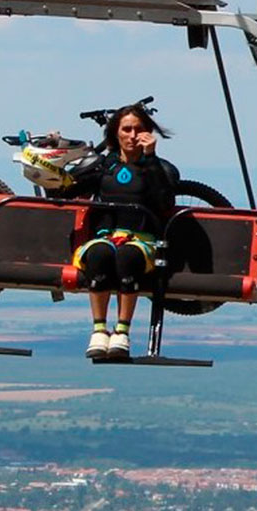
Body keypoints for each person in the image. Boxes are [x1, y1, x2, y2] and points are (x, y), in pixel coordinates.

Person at [67, 102, 180, 362]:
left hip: (142, 240)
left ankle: (122, 331)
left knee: (127, 258)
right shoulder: (104, 166)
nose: (132, 135)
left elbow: (165, 201)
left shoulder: (160, 168)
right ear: (115, 133)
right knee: (98, 255)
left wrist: (150, 158)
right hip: (105, 236)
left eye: (138, 129)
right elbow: (68, 189)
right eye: (126, 129)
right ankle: (98, 330)